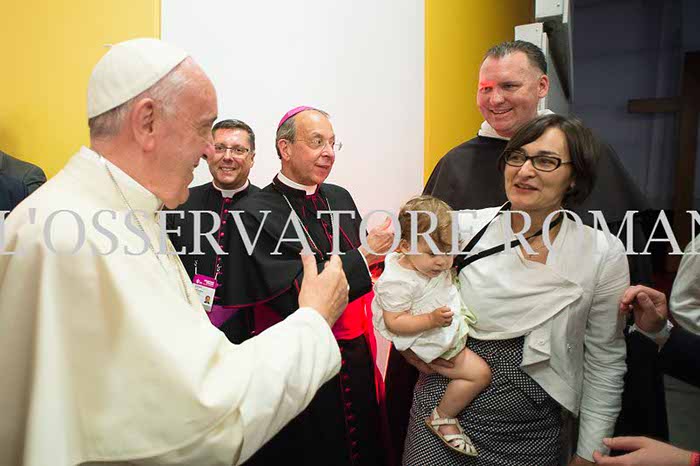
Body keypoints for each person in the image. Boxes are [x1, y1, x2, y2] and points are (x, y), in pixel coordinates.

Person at [0, 38, 352, 466]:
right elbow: (202, 420)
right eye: (204, 129)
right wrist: (313, 320)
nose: (209, 152)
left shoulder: (129, 211)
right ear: (147, 122)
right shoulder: (72, 233)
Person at [390, 40, 657, 453]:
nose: (495, 99)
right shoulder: (457, 167)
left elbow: (604, 344)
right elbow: (411, 268)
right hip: (452, 386)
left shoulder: (596, 229)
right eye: (485, 88)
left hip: (543, 404)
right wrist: (410, 342)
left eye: (509, 86)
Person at [401, 114, 628, 466]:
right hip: (441, 415)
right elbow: (399, 280)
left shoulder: (601, 253)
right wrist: (405, 341)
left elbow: (605, 359)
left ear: (574, 177)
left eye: (545, 161)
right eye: (517, 157)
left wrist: (590, 453)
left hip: (534, 430)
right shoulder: (462, 229)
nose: (524, 171)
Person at [220, 106, 394, 466]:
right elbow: (294, 295)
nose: (328, 152)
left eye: (332, 143)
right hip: (300, 363)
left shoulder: (339, 197)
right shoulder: (251, 212)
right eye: (317, 142)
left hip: (355, 359)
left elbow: (366, 273)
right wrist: (366, 255)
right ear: (285, 148)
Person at [372, 196, 490, 457]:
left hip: (439, 321)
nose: (442, 262)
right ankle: (443, 416)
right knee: (479, 374)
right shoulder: (397, 282)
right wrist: (430, 320)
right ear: (404, 246)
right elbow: (394, 321)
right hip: (427, 337)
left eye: (448, 251)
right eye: (433, 253)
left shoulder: (425, 266)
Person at [168, 119, 260, 341]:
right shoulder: (179, 202)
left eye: (238, 150)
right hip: (187, 327)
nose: (227, 157)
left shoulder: (270, 208)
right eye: (219, 148)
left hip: (249, 334)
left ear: (252, 158)